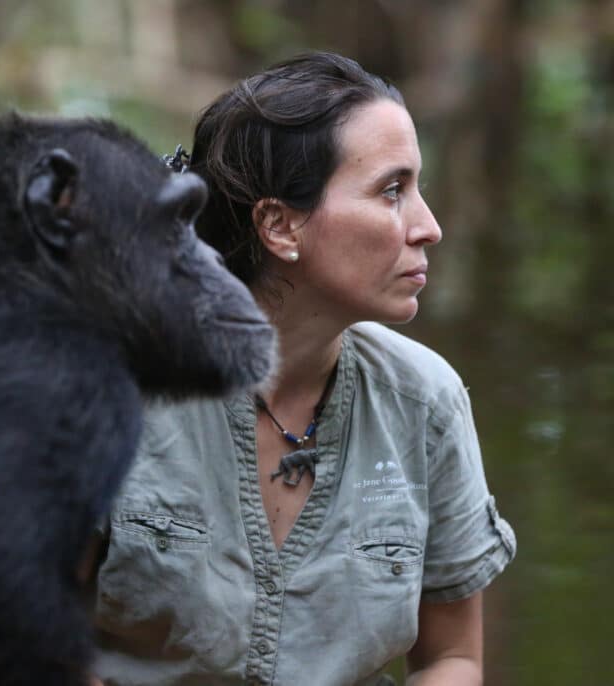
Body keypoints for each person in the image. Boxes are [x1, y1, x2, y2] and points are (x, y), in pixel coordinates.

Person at [92, 51, 516, 686]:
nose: (428, 227)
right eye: (392, 191)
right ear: (280, 225)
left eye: (417, 189)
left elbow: (451, 657)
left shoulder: (426, 402)